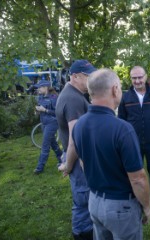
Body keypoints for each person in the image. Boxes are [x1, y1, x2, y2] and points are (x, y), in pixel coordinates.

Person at [72, 69, 150, 240]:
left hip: (94, 202)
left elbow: (83, 163)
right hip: (120, 207)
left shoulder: (79, 125)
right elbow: (138, 178)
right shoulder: (123, 129)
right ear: (115, 89)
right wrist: (147, 207)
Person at [56, 59, 96, 240]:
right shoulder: (73, 99)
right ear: (75, 76)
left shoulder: (73, 94)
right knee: (83, 200)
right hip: (78, 159)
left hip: (77, 157)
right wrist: (69, 165)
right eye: (88, 76)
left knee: (83, 198)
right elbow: (75, 140)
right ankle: (82, 234)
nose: (91, 80)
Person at [118, 66, 150, 212]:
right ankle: (135, 198)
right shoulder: (125, 97)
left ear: (145, 77)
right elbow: (121, 120)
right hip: (133, 143)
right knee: (134, 172)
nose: (137, 81)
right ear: (130, 79)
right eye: (134, 78)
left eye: (140, 77)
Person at [33, 80, 62, 174]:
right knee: (53, 144)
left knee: (45, 145)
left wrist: (45, 110)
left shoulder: (54, 97)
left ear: (45, 87)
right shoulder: (40, 97)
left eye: (39, 87)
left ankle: (39, 168)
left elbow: (57, 113)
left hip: (52, 123)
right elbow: (39, 107)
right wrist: (37, 111)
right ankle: (62, 159)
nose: (38, 89)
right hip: (43, 123)